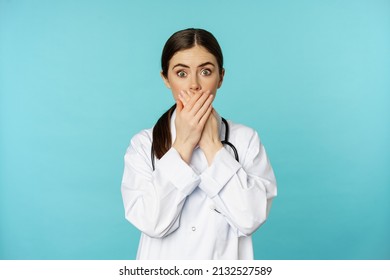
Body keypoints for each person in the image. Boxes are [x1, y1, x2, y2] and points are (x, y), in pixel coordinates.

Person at [121, 28, 277, 260]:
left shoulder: (245, 140)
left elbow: (251, 218)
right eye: (181, 73)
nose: (194, 85)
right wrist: (183, 144)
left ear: (221, 77)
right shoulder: (144, 144)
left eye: (205, 71)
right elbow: (151, 223)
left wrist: (214, 146)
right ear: (166, 79)